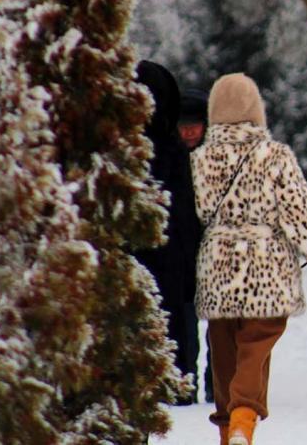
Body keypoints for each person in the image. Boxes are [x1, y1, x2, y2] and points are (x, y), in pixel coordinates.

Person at [191, 73, 307, 445]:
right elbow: (298, 208)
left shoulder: (200, 159)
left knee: (222, 349)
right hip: (267, 269)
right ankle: (243, 419)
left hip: (218, 267)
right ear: (256, 110)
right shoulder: (274, 156)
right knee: (256, 344)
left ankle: (229, 433)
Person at [133, 60, 204, 404]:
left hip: (132, 255)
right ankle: (179, 384)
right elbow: (186, 212)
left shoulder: (122, 146)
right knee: (178, 317)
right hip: (174, 255)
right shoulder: (173, 149)